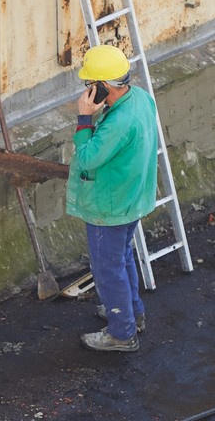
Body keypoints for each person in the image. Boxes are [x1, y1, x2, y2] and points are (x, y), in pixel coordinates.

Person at [66, 44, 159, 352]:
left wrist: (84, 119)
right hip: (131, 199)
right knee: (121, 258)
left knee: (107, 269)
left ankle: (121, 333)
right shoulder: (141, 99)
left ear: (103, 87)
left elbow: (89, 158)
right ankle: (132, 315)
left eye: (90, 85)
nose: (87, 90)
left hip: (110, 207)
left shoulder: (118, 123)